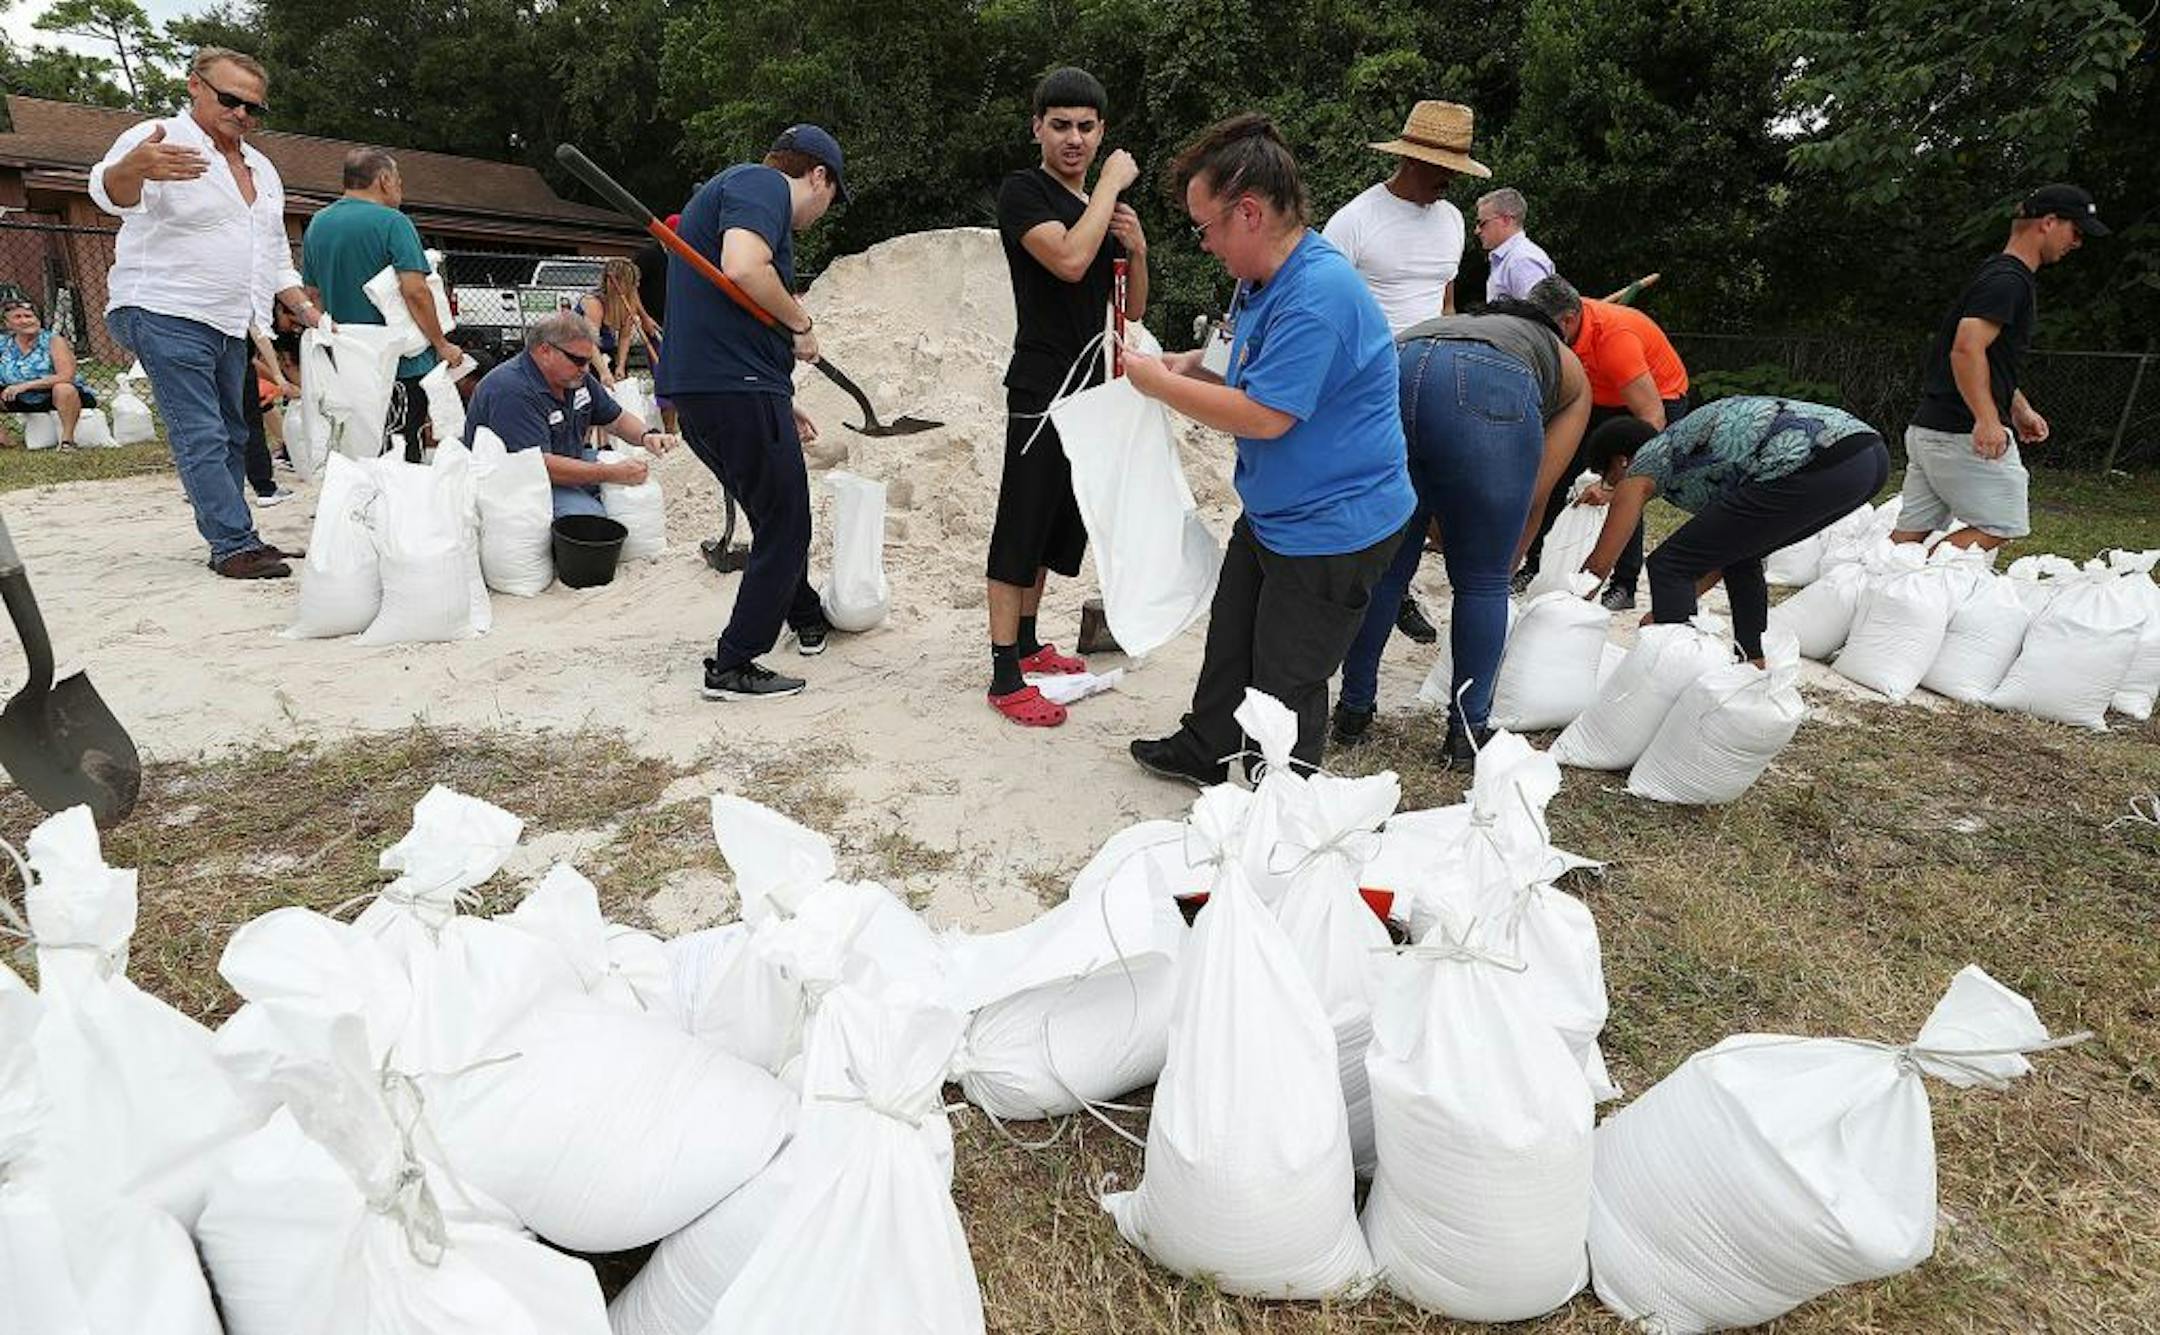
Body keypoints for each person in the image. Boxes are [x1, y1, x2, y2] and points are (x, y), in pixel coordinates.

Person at [1122, 113, 1416, 782]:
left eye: (1204, 227)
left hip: (1335, 525)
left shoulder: (1319, 294)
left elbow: (1263, 415)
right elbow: (1236, 356)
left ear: (1248, 212)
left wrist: (1159, 389)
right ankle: (1206, 747)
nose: (1203, 245)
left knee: (1288, 673)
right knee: (1233, 639)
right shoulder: (1259, 279)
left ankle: (1279, 797)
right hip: (1278, 512)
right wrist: (1177, 363)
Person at [89, 46, 321, 579]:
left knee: (238, 433)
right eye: (230, 99)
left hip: (228, 319)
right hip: (164, 307)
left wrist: (306, 312)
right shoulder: (158, 138)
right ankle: (233, 546)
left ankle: (240, 533)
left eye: (253, 107)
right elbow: (109, 193)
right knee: (201, 432)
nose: (241, 114)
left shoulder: (261, 168)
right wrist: (132, 168)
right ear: (195, 85)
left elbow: (272, 254)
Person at [1333, 301, 1592, 764]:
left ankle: (1352, 712)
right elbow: (1535, 490)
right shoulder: (1566, 366)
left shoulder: (1448, 323)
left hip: (1398, 362)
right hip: (1488, 380)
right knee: (1482, 582)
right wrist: (1502, 553)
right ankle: (1465, 734)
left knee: (1388, 568)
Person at [657, 124, 848, 703]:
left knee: (772, 516)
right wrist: (801, 323)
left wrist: (779, 399)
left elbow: (730, 311)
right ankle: (735, 663)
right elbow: (743, 267)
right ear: (818, 176)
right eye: (831, 198)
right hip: (733, 388)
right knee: (788, 523)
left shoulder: (730, 192)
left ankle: (807, 614)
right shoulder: (760, 183)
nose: (821, 213)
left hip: (714, 390)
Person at [986, 66, 1149, 728]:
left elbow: (1129, 307)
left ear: (1101, 128)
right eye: (1060, 126)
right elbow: (1069, 262)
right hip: (1040, 381)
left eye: (1086, 127)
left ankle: (1028, 643)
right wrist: (1110, 182)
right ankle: (1003, 673)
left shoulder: (1101, 211)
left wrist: (1137, 249)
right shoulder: (1023, 192)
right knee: (1020, 521)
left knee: (1056, 522)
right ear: (1037, 129)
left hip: (1091, 388)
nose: (1074, 138)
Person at [1322, 101, 1488, 650]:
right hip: (1367, 378)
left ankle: (1398, 589)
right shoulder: (1356, 220)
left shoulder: (1452, 220)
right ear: (1412, 159)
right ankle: (1345, 593)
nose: (1449, 181)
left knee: (1416, 494)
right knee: (1360, 490)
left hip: (1433, 374)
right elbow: (1322, 305)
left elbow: (1444, 294)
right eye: (1443, 170)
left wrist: (1454, 347)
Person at [1579, 397, 1891, 665]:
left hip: (1821, 458)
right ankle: (1752, 663)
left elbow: (1602, 561)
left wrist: (1569, 606)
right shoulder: (1688, 453)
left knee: (1668, 562)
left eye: (1608, 478)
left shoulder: (1648, 460)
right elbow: (1722, 553)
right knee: (1743, 554)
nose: (1612, 488)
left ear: (1621, 462)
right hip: (1867, 459)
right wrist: (1669, 609)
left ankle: (1674, 671)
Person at [1891, 184, 2106, 553]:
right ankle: (1910, 584)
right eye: (2077, 231)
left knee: (1911, 533)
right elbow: (1966, 349)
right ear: (2049, 223)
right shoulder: (2008, 281)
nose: (2078, 242)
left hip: (1931, 428)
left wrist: (2017, 408)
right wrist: (1987, 419)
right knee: (2001, 524)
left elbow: (1987, 357)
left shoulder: (1997, 273)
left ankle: (1871, 596)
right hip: (1960, 432)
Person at [1517, 273, 1691, 610]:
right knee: (1554, 473)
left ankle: (1624, 585)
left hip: (1655, 400)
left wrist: (1614, 487)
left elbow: (1651, 417)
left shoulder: (1615, 341)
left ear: (1568, 320)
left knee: (1629, 488)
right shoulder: (1568, 328)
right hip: (1601, 396)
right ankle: (1533, 565)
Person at [301, 147, 464, 463]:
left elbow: (313, 292)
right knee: (402, 441)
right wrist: (441, 343)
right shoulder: (393, 222)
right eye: (399, 181)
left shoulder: (317, 224)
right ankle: (398, 508)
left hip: (346, 357)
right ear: (385, 180)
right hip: (400, 361)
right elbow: (415, 290)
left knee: (356, 444)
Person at [462, 311, 677, 516]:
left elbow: (616, 419)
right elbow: (538, 465)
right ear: (545, 351)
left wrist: (647, 436)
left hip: (565, 460)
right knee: (587, 521)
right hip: (520, 483)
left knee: (636, 496)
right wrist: (612, 473)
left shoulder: (575, 378)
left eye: (587, 360)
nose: (585, 368)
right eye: (578, 360)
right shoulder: (510, 390)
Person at [0, 298, 99, 448]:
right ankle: (6, 442)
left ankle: (67, 441)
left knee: (64, 387)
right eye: (18, 317)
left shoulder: (53, 341)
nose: (25, 321)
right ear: (8, 324)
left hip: (56, 395)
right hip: (19, 397)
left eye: (29, 316)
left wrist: (24, 386)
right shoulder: (4, 344)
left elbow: (66, 376)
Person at [1474, 187, 1555, 304]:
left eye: (1482, 223)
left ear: (1505, 220)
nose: (1477, 231)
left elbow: (1536, 316)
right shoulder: (1512, 258)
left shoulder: (1523, 261)